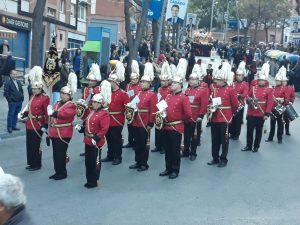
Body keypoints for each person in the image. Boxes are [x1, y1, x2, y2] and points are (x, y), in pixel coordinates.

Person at [75, 81, 111, 188]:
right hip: (88, 140)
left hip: (96, 141)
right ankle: (89, 179)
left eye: (95, 102)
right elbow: (88, 125)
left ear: (100, 103)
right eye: (93, 102)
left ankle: (94, 181)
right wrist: (81, 129)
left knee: (95, 162)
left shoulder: (104, 113)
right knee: (88, 162)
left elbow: (104, 128)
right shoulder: (92, 112)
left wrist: (97, 137)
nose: (93, 104)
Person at [158, 75, 192, 179]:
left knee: (175, 150)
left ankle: (175, 169)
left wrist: (180, 120)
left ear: (180, 85)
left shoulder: (183, 97)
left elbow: (188, 114)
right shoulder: (168, 96)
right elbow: (162, 107)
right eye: (172, 83)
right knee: (167, 149)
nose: (172, 84)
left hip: (176, 127)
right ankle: (168, 168)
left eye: (174, 83)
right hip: (166, 126)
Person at [207, 65, 239, 168]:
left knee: (224, 140)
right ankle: (215, 158)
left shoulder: (230, 90)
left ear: (224, 80)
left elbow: (235, 105)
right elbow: (210, 100)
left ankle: (223, 159)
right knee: (215, 139)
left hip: (225, 117)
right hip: (215, 116)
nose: (216, 82)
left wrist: (229, 113)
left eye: (219, 80)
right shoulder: (214, 89)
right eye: (216, 79)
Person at [128, 71, 157, 172]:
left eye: (144, 82)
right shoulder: (138, 93)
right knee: (137, 143)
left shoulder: (152, 94)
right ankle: (138, 161)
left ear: (149, 83)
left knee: (144, 144)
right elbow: (133, 104)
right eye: (141, 82)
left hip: (144, 122)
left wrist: (150, 122)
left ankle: (144, 163)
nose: (142, 83)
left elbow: (153, 110)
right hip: (136, 120)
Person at [19, 81, 50, 171]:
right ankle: (31, 163)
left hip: (38, 124)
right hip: (29, 123)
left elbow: (46, 112)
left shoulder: (45, 98)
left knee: (36, 145)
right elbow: (30, 109)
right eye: (32, 89)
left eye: (35, 89)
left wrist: (46, 124)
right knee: (29, 145)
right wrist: (24, 114)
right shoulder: (32, 97)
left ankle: (37, 164)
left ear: (40, 89)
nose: (33, 90)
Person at [48, 86, 76, 180]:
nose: (62, 95)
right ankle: (57, 171)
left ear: (69, 96)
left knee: (61, 154)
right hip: (54, 132)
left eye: (64, 94)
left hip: (64, 132)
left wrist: (53, 113)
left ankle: (62, 173)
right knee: (56, 154)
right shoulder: (57, 103)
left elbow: (65, 114)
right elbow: (52, 117)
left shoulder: (71, 105)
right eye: (61, 93)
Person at [102, 71, 129, 165]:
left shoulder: (123, 94)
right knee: (108, 138)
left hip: (117, 120)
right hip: (107, 119)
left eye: (111, 81)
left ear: (116, 82)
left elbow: (127, 108)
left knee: (116, 139)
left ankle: (118, 157)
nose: (109, 83)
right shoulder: (107, 93)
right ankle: (110, 155)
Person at [241, 71, 273, 153]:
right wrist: (249, 100)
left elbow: (270, 103)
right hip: (251, 111)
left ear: (265, 81)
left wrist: (267, 113)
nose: (261, 81)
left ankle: (256, 146)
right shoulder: (253, 88)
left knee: (258, 131)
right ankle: (248, 145)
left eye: (262, 80)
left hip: (261, 113)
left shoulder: (269, 90)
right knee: (249, 130)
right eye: (259, 80)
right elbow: (248, 96)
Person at [182, 72, 208, 161]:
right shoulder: (187, 90)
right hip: (187, 116)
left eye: (193, 79)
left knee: (194, 136)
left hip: (196, 117)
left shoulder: (202, 91)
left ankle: (193, 153)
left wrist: (201, 115)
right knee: (186, 135)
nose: (191, 81)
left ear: (198, 81)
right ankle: (185, 151)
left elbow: (204, 105)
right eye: (190, 79)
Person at [77, 63, 102, 156]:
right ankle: (87, 148)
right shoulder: (86, 89)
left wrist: (93, 94)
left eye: (92, 80)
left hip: (95, 113)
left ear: (96, 81)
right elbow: (83, 98)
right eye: (89, 80)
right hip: (86, 113)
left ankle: (94, 148)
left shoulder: (98, 89)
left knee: (94, 131)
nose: (90, 82)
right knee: (86, 132)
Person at [265, 66, 290, 144]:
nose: (277, 82)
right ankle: (270, 137)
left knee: (280, 124)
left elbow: (287, 99)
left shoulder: (284, 88)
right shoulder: (273, 88)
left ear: (281, 81)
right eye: (276, 80)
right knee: (272, 124)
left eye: (278, 81)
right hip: (273, 108)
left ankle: (279, 138)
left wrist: (282, 100)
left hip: (280, 107)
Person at [151, 72, 172, 154]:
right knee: (157, 128)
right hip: (158, 109)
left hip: (165, 110)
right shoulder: (159, 89)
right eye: (161, 81)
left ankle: (164, 146)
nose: (162, 82)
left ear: (167, 81)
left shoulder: (170, 90)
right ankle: (158, 145)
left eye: (164, 81)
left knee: (164, 130)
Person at [229, 69, 249, 140]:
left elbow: (245, 93)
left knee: (238, 120)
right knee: (232, 119)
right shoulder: (233, 83)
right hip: (233, 104)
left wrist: (240, 95)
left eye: (240, 75)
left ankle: (237, 134)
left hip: (240, 104)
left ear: (243, 76)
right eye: (237, 75)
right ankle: (231, 133)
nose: (238, 77)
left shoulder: (245, 84)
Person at [123, 72, 141, 149]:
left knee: (135, 126)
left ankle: (136, 142)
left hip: (137, 107)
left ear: (137, 79)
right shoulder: (128, 85)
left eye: (134, 79)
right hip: (129, 107)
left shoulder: (140, 86)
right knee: (129, 125)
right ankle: (130, 141)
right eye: (131, 79)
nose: (132, 81)